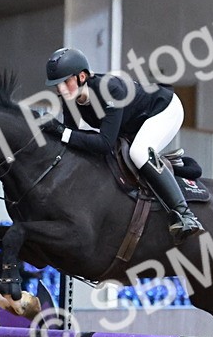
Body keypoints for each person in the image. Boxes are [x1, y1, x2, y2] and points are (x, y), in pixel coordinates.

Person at [43, 47, 203, 243]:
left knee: (139, 152)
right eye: (57, 85)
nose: (60, 89)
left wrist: (60, 131)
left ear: (82, 76)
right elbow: (70, 140)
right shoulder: (71, 98)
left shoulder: (110, 90)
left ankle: (185, 215)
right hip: (134, 122)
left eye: (65, 82)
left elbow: (104, 143)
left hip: (164, 109)